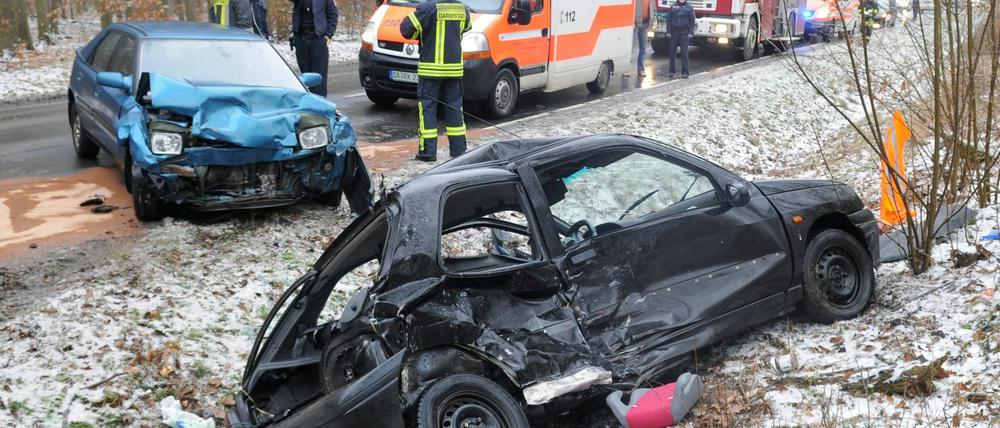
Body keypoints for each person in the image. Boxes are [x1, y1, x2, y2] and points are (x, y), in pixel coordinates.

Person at [400, 0, 471, 162]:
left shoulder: (427, 8)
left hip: (430, 71)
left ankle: (428, 152)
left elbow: (406, 29)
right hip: (454, 70)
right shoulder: (463, 9)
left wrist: (423, 31)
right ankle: (458, 150)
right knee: (454, 109)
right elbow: (466, 27)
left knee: (428, 110)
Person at [292, 0, 340, 97]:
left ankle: (321, 104)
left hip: (318, 39)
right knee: (306, 76)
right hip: (301, 38)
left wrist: (328, 35)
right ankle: (310, 103)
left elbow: (333, 15)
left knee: (320, 77)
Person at [666, 0, 695, 78]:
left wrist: (690, 33)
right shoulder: (673, 7)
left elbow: (692, 21)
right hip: (674, 32)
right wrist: (668, 31)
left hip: (684, 33)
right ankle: (671, 71)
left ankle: (685, 72)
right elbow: (668, 19)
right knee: (672, 53)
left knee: (684, 53)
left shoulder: (689, 8)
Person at [634, 0, 653, 78]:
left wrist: (651, 23)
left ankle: (640, 69)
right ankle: (626, 70)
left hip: (645, 24)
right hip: (635, 24)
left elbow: (653, 9)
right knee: (630, 49)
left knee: (643, 49)